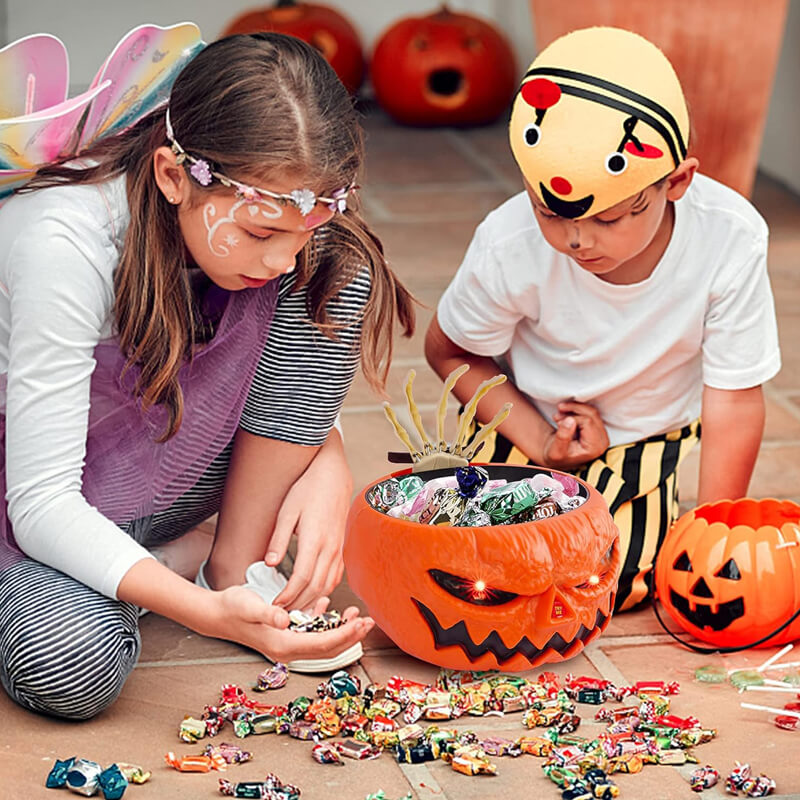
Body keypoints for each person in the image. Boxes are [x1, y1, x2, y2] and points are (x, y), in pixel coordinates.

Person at [0, 31, 415, 720]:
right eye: (259, 234)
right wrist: (209, 619)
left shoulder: (282, 247)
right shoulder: (62, 240)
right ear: (171, 175)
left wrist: (325, 454)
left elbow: (278, 365)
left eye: (301, 230)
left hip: (157, 465)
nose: (283, 260)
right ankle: (159, 575)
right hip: (28, 504)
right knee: (68, 663)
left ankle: (229, 565)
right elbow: (40, 503)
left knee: (342, 268)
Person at [425, 27, 780, 613]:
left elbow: (736, 397)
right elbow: (451, 352)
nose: (577, 239)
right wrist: (541, 441)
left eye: (613, 218)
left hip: (646, 435)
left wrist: (712, 534)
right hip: (528, 421)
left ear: (676, 182)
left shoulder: (729, 238)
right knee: (481, 556)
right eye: (549, 212)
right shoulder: (510, 242)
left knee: (612, 573)